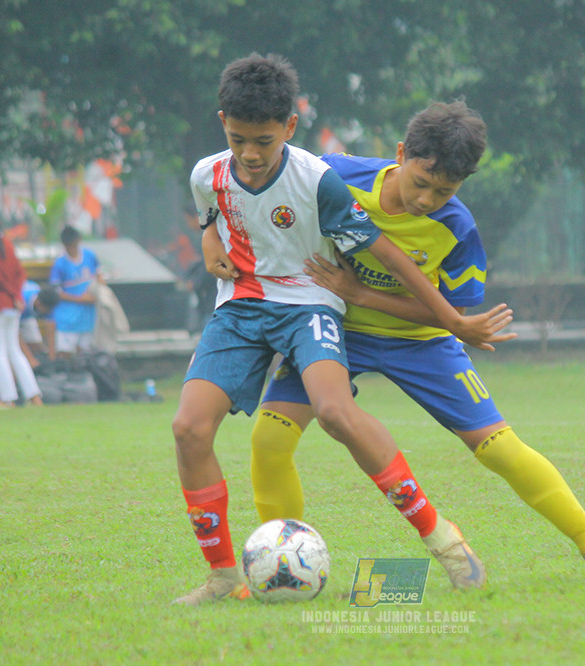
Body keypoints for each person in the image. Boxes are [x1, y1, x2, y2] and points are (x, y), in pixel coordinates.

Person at [172, 53, 513, 606]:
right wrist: (212, 248)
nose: (250, 154)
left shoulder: (318, 182)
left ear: (289, 127)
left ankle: (443, 540)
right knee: (188, 429)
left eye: (263, 140)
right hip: (239, 308)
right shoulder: (205, 174)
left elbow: (389, 254)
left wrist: (451, 320)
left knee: (334, 411)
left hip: (309, 304)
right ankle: (223, 577)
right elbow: (213, 222)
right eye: (238, 140)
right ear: (222, 124)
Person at [248, 101, 585, 583]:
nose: (428, 199)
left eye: (444, 190)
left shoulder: (457, 228)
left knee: (497, 447)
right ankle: (279, 565)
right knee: (270, 438)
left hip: (421, 341)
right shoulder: (337, 175)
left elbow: (449, 314)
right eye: (421, 182)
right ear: (400, 153)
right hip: (336, 332)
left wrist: (360, 292)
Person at [0, 209, 43, 407]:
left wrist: (11, 293)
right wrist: (16, 295)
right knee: (14, 351)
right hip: (12, 305)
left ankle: (8, 398)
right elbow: (19, 272)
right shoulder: (7, 244)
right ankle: (33, 396)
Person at [47, 225, 100, 360]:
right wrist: (81, 299)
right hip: (67, 318)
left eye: (73, 244)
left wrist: (97, 294)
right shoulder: (60, 264)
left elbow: (99, 278)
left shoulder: (90, 256)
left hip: (88, 317)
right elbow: (56, 292)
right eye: (68, 246)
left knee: (86, 354)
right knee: (65, 354)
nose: (71, 248)